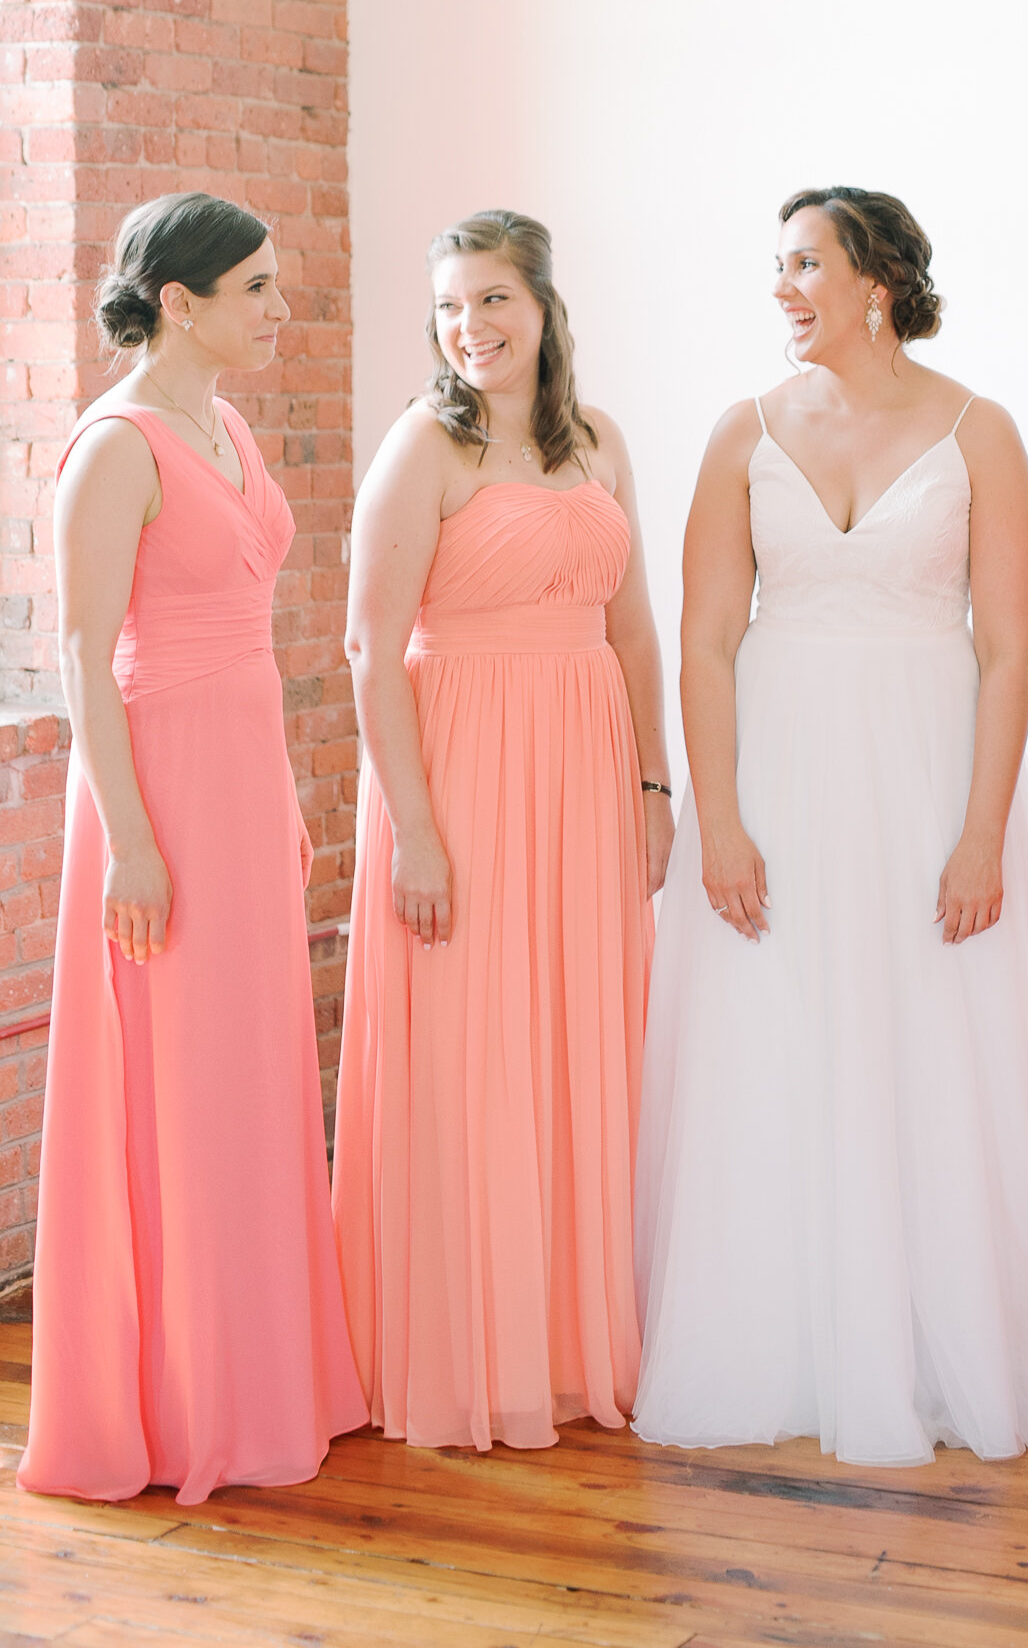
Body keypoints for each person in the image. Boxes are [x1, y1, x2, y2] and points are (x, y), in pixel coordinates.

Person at [634, 187, 1028, 1464]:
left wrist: (984, 829)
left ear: (875, 279)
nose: (782, 287)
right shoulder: (741, 433)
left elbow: (1009, 656)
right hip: (776, 773)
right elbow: (705, 645)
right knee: (775, 1042)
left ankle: (930, 1345)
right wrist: (717, 821)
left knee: (925, 1041)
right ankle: (782, 1338)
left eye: (804, 263)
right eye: (777, 264)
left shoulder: (981, 432)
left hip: (927, 774)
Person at [19, 194, 365, 1503]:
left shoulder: (221, 423)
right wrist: (132, 846)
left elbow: (247, 635)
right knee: (178, 1078)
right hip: (155, 785)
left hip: (235, 775)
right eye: (260, 290)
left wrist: (274, 798)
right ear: (182, 302)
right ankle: (179, 1404)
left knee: (248, 1076)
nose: (281, 311)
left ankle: (263, 1375)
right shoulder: (116, 447)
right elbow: (81, 660)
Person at [332, 211, 671, 1451]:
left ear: (542, 306)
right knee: (473, 1048)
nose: (468, 328)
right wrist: (414, 832)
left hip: (585, 771)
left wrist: (654, 789)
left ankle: (573, 1340)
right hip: (460, 773)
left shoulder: (601, 442)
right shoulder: (425, 445)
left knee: (577, 1039)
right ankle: (463, 1347)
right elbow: (370, 647)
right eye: (448, 308)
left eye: (492, 301)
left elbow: (635, 631)